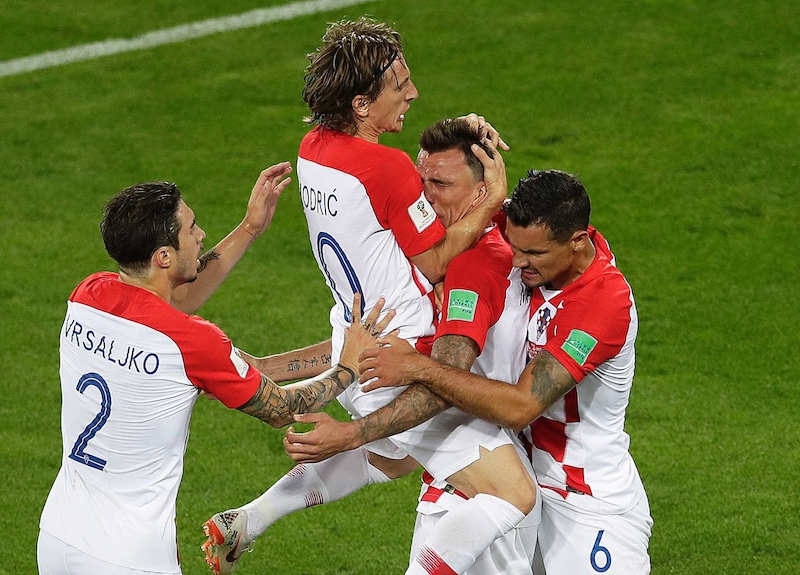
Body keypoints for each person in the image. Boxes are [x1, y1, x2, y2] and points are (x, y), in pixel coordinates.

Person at [201, 18, 536, 575]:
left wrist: (462, 130)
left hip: (354, 345)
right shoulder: (387, 167)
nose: (412, 93)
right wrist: (492, 196)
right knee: (511, 494)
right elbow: (434, 258)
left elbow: (400, 198)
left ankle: (247, 521)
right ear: (361, 102)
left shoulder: (314, 149)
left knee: (392, 456)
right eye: (399, 84)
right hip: (403, 360)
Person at [36, 171, 394, 575]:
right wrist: (348, 364)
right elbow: (284, 407)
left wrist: (249, 228)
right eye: (191, 228)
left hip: (58, 536)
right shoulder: (194, 343)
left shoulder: (88, 295)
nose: (201, 233)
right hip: (128, 556)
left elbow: (170, 302)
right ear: (164, 256)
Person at [360, 169, 654, 574]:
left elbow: (520, 408)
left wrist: (421, 368)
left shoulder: (603, 303)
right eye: (515, 247)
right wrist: (475, 140)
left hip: (585, 501)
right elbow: (458, 198)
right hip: (515, 485)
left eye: (533, 255)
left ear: (577, 242)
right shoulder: (533, 237)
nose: (517, 261)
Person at [284, 117, 543, 575]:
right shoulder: (481, 240)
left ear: (483, 193)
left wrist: (352, 431)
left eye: (439, 185)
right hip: (477, 474)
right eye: (421, 181)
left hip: (482, 465)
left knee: (400, 459)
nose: (423, 196)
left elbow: (444, 376)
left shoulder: (469, 267)